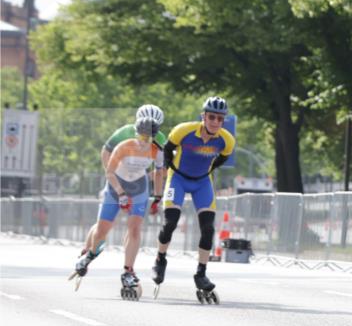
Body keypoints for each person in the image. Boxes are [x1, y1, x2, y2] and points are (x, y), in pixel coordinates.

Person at [72, 116, 164, 295]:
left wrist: (158, 197)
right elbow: (109, 172)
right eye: (141, 137)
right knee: (102, 230)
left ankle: (128, 271)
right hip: (116, 186)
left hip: (139, 188)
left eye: (148, 138)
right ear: (136, 134)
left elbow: (159, 173)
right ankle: (89, 255)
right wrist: (121, 194)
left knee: (135, 229)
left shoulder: (156, 151)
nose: (144, 142)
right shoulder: (124, 147)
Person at [153, 96, 235, 300]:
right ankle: (160, 259)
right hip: (178, 179)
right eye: (211, 117)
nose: (215, 122)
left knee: (208, 228)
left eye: (220, 118)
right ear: (203, 116)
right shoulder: (184, 130)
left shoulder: (227, 140)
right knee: (170, 222)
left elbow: (222, 159)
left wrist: (206, 170)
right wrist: (171, 168)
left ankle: (201, 273)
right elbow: (167, 149)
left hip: (202, 182)